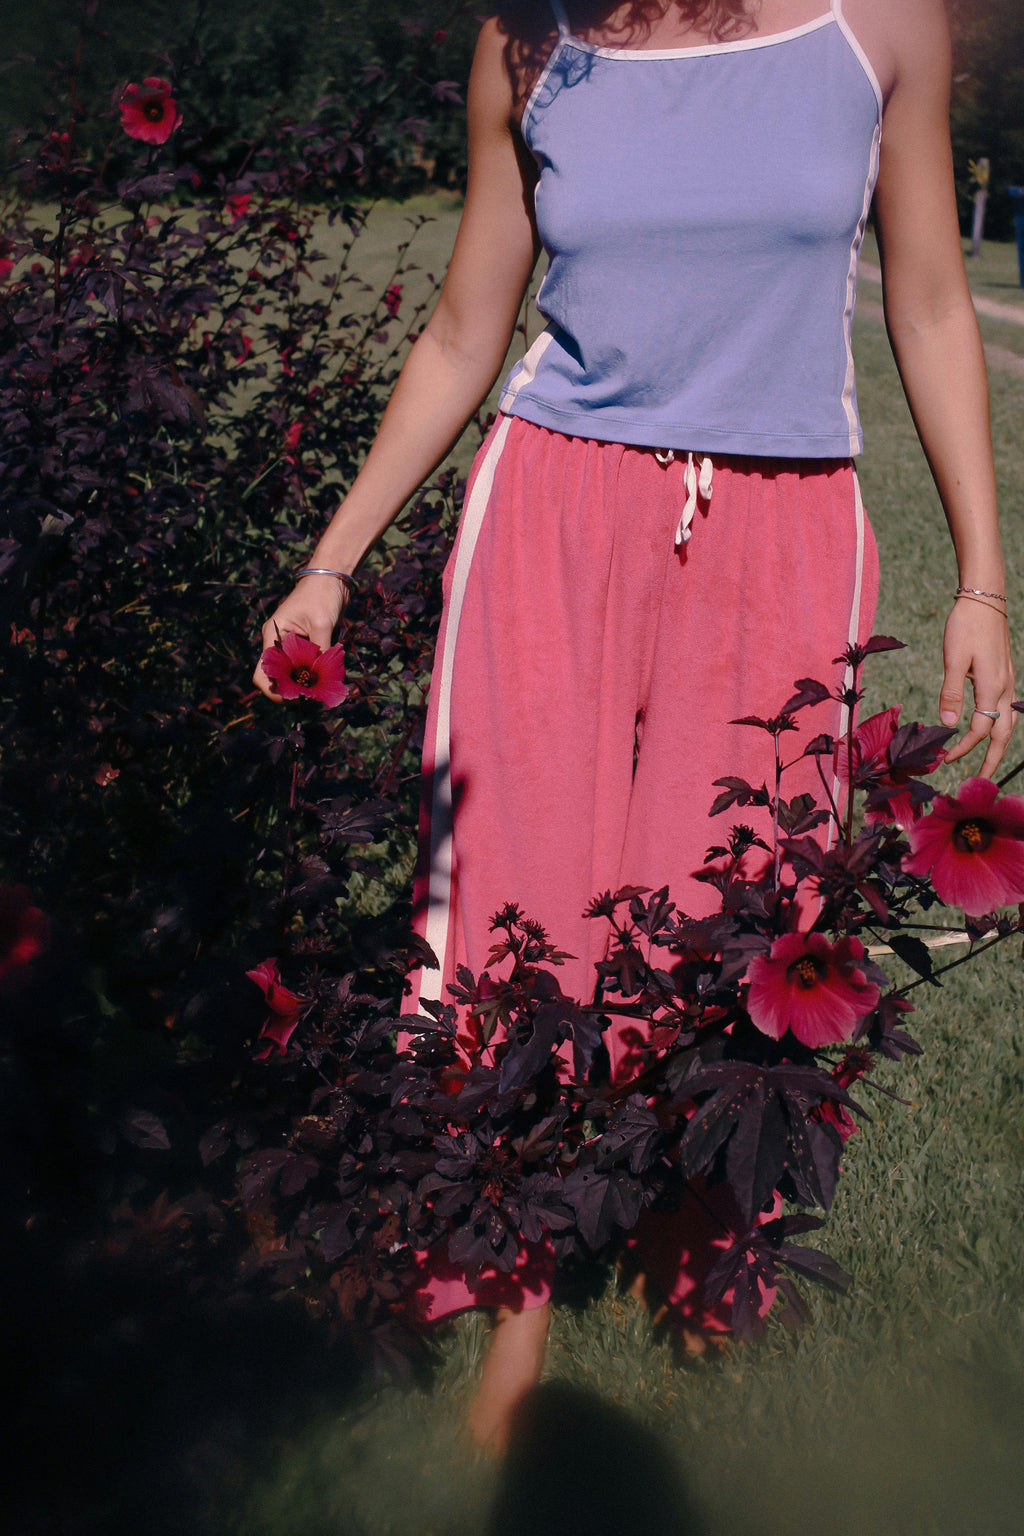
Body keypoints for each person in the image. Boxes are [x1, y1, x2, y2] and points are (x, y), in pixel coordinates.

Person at [255, 0, 1015, 1454]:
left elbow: (927, 300)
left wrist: (981, 579)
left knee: (736, 905)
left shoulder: (887, 24)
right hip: (553, 507)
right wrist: (331, 562)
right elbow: (465, 326)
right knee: (521, 903)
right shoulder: (528, 40)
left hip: (790, 526)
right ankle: (512, 1282)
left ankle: (702, 1256)